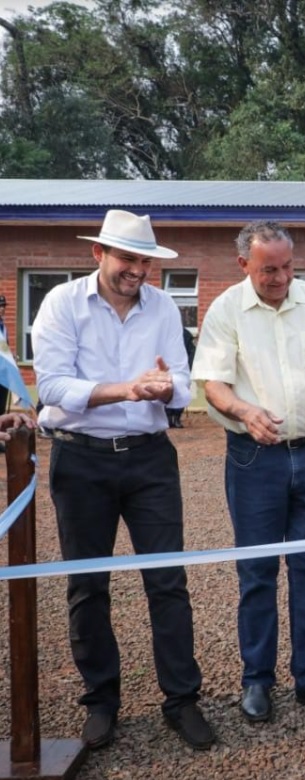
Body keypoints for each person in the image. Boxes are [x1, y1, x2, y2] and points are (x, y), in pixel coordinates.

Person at [32, 209, 216, 751]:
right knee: (88, 584)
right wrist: (126, 390)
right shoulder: (62, 304)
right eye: (127, 258)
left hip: (149, 458)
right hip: (80, 459)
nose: (137, 270)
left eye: (144, 260)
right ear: (98, 254)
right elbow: (54, 386)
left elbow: (183, 381)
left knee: (167, 581)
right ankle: (101, 702)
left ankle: (182, 700)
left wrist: (164, 390)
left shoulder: (162, 307)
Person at [192, 220, 305, 724]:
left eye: (288, 266)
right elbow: (214, 386)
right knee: (258, 572)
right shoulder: (226, 309)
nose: (281, 277)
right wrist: (246, 412)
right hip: (254, 458)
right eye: (269, 269)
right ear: (243, 263)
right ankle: (257, 681)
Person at [166, 327, 197, 428]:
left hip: (182, 371)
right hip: (167, 370)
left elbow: (192, 352)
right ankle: (168, 418)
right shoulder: (164, 332)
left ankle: (176, 418)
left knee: (181, 394)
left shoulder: (185, 334)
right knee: (167, 394)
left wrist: (189, 368)